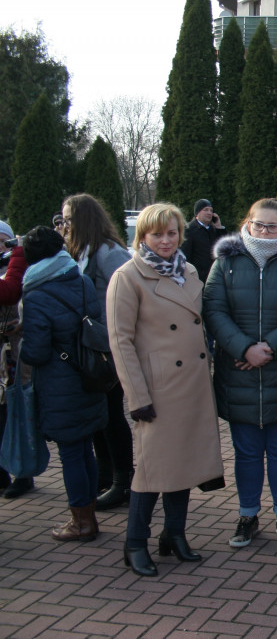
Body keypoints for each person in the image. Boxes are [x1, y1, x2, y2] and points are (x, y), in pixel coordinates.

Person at [106, 203, 224, 577]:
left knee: (184, 462)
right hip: (157, 390)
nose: (165, 240)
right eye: (157, 234)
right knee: (152, 471)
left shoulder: (187, 270)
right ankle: (134, 543)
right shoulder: (128, 277)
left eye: (171, 233)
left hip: (191, 383)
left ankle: (174, 535)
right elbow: (120, 341)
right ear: (143, 237)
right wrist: (137, 397)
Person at [203, 198, 277, 548]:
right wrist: (244, 348)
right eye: (259, 224)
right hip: (238, 373)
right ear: (247, 223)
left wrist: (267, 349)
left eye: (273, 226)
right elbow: (214, 310)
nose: (265, 232)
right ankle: (247, 515)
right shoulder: (225, 263)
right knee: (246, 452)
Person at [18, 226, 107, 541]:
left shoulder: (36, 294)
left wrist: (19, 337)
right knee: (85, 450)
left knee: (71, 453)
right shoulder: (81, 280)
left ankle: (82, 522)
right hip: (89, 376)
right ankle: (90, 515)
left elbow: (36, 351)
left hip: (59, 384)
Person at [62, 193, 134, 510]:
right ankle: (104, 475)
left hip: (109, 348)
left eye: (68, 218)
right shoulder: (81, 252)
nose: (63, 224)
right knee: (98, 415)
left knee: (112, 416)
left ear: (83, 219)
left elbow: (128, 298)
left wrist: (111, 338)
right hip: (90, 349)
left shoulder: (108, 252)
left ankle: (123, 482)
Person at [0, 220, 28, 497]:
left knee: (17, 411)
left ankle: (23, 471)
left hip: (14, 348)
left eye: (3, 240)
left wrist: (17, 254)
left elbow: (11, 292)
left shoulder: (18, 266)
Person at [180, 199, 228, 283]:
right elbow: (185, 256)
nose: (209, 213)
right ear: (197, 213)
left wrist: (219, 227)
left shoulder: (214, 229)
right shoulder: (189, 230)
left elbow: (225, 247)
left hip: (216, 276)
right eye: (205, 210)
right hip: (198, 278)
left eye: (211, 210)